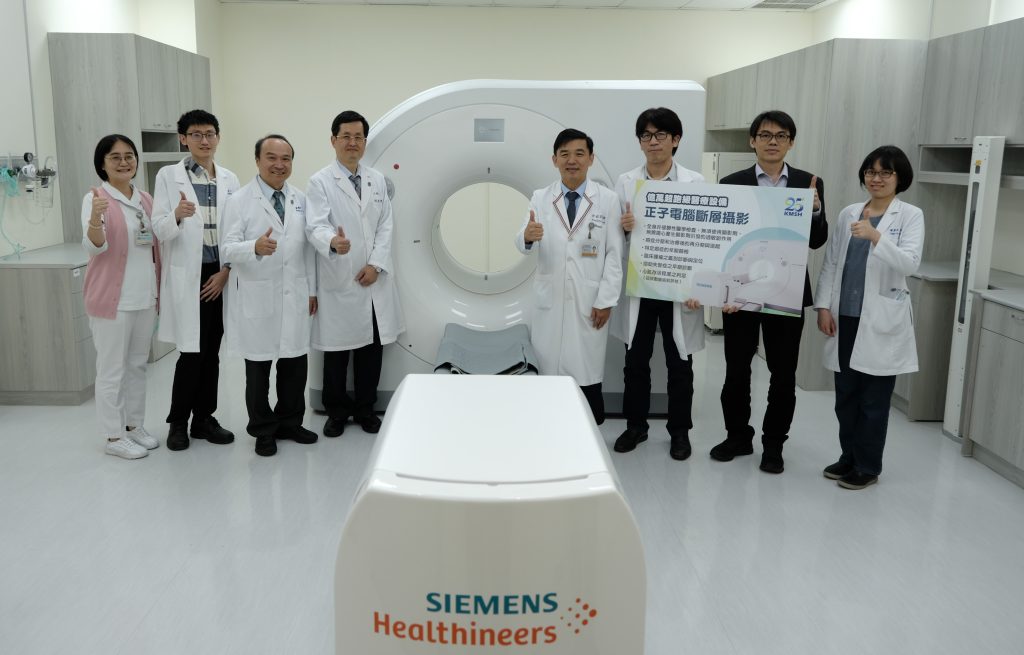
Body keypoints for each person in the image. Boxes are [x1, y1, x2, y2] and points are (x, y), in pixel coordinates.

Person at [714, 109, 827, 474]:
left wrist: (815, 211)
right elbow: (722, 241)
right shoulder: (732, 183)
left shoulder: (808, 183)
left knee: (783, 374)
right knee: (736, 370)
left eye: (781, 136)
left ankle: (774, 444)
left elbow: (817, 241)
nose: (772, 141)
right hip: (741, 292)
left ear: (791, 142)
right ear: (753, 141)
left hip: (786, 292)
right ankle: (737, 436)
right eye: (765, 135)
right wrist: (723, 291)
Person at [815, 146, 923, 490]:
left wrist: (877, 236)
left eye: (885, 173)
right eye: (870, 172)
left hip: (881, 319)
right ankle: (848, 457)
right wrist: (823, 306)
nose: (876, 179)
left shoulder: (910, 215)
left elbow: (909, 263)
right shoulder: (850, 212)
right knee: (845, 396)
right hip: (845, 316)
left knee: (873, 400)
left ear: (899, 178)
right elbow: (832, 262)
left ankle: (867, 465)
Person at [611, 108, 706, 460]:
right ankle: (636, 426)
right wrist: (623, 228)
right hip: (640, 284)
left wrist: (700, 287)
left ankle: (679, 432)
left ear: (676, 140)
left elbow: (704, 238)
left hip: (679, 286)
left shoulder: (695, 183)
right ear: (640, 142)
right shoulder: (625, 182)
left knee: (679, 362)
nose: (653, 142)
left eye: (661, 135)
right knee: (635, 360)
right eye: (646, 135)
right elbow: (614, 239)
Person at [515, 128, 623, 424]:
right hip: (550, 298)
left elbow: (614, 255)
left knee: (585, 367)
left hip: (590, 298)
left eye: (579, 154)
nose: (571, 160)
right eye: (564, 154)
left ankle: (587, 426)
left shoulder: (607, 200)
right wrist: (527, 236)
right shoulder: (540, 198)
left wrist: (606, 300)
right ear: (555, 160)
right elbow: (521, 241)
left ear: (591, 158)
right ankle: (548, 424)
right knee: (548, 364)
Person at [306, 110, 405, 437]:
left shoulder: (376, 180)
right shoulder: (320, 182)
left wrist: (376, 265)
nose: (352, 143)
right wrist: (332, 242)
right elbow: (315, 226)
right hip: (340, 276)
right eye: (346, 137)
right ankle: (336, 413)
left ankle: (365, 409)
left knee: (370, 352)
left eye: (358, 137)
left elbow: (386, 226)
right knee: (336, 353)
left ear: (364, 142)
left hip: (372, 278)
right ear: (333, 140)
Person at [222, 135, 318, 457]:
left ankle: (290, 422)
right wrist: (254, 247)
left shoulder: (300, 199)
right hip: (258, 295)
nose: (279, 165)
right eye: (272, 158)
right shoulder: (239, 200)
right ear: (258, 160)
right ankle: (263, 429)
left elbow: (307, 251)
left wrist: (312, 290)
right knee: (258, 371)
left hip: (295, 293)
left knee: (295, 365)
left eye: (286, 158)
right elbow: (227, 248)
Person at [152, 109, 240, 451]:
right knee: (191, 352)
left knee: (212, 351)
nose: (204, 140)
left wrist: (226, 271)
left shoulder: (229, 179)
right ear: (183, 138)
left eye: (210, 134)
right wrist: (176, 214)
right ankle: (178, 422)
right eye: (196, 134)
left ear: (218, 137)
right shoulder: (168, 177)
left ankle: (204, 419)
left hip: (221, 273)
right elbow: (159, 229)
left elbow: (237, 230)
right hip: (191, 275)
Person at [81, 135, 160, 459]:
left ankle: (134, 425)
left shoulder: (145, 199)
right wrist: (95, 218)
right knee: (112, 369)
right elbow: (94, 247)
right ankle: (113, 436)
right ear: (102, 164)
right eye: (115, 157)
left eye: (129, 156)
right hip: (112, 301)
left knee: (137, 366)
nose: (124, 162)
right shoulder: (96, 198)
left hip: (144, 296)